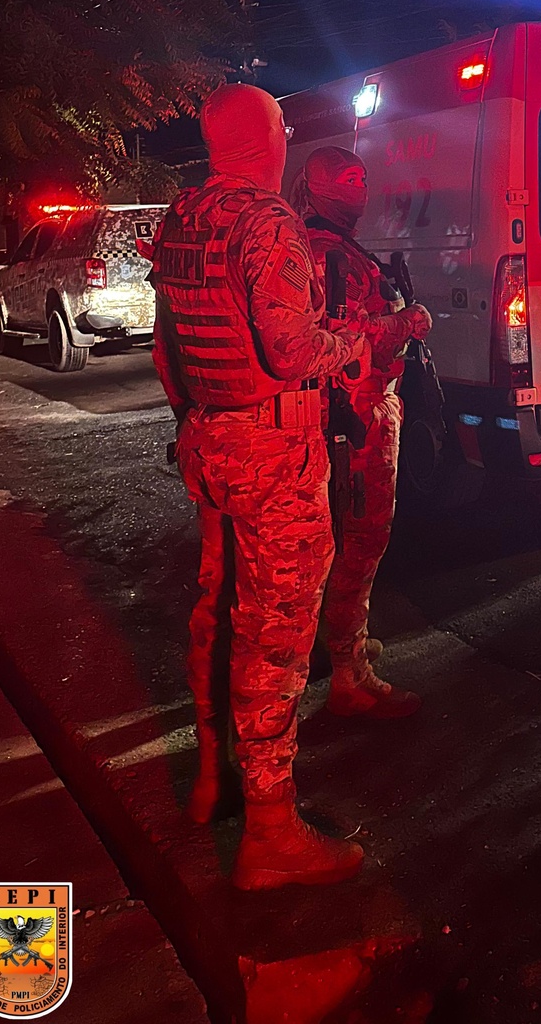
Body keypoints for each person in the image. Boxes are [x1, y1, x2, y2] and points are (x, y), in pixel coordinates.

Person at [151, 84, 372, 892]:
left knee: (218, 603)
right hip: (269, 447)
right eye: (283, 125)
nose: (287, 136)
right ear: (267, 138)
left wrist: (195, 420)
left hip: (208, 437)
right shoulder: (267, 221)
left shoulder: (182, 218)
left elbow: (164, 346)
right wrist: (351, 343)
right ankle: (272, 831)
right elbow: (287, 349)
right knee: (273, 631)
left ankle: (213, 778)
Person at [291, 146, 432, 717]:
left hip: (331, 417)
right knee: (361, 539)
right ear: (323, 190)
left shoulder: (309, 246)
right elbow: (349, 341)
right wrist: (408, 322)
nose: (360, 189)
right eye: (350, 180)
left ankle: (339, 644)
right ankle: (349, 674)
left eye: (361, 179)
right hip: (357, 415)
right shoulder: (331, 255)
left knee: (336, 540)